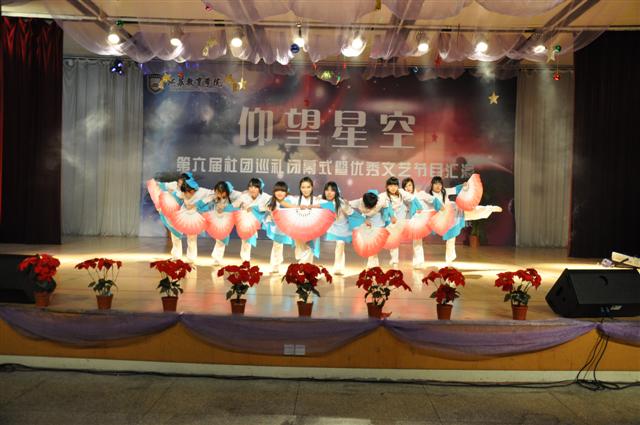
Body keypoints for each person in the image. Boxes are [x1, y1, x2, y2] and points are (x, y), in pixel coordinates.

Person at [350, 191, 393, 268]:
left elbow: (387, 206)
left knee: (373, 245)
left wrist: (387, 216)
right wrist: (361, 218)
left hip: (378, 225)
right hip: (368, 224)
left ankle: (372, 265)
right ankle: (374, 265)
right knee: (371, 244)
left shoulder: (380, 201)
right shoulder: (359, 202)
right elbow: (347, 205)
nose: (370, 208)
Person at [232, 178, 271, 262]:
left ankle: (245, 259)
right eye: (250, 187)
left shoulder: (265, 197)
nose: (252, 189)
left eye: (255, 187)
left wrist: (254, 208)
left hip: (258, 219)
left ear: (260, 188)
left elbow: (271, 205)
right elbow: (234, 205)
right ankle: (245, 260)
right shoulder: (244, 196)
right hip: (245, 220)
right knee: (246, 240)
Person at [260, 181, 295, 274]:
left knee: (298, 245)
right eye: (277, 190)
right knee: (277, 245)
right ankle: (275, 265)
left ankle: (302, 265)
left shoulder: (290, 200)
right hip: (277, 228)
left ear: (286, 192)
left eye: (282, 191)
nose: (279, 193)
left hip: (289, 227)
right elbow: (266, 213)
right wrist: (269, 215)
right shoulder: (272, 201)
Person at [322, 181, 353, 275]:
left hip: (342, 227)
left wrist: (347, 206)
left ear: (336, 192)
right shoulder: (322, 201)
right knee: (339, 245)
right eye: (327, 190)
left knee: (340, 244)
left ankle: (338, 267)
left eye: (332, 190)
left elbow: (350, 212)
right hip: (332, 226)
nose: (329, 193)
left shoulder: (341, 202)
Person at [209, 181, 242, 266]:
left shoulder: (234, 194)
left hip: (230, 217)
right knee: (219, 238)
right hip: (218, 217)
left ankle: (217, 258)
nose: (219, 194)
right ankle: (216, 257)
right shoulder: (214, 195)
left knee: (223, 237)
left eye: (221, 192)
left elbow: (241, 199)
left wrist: (227, 207)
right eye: (217, 192)